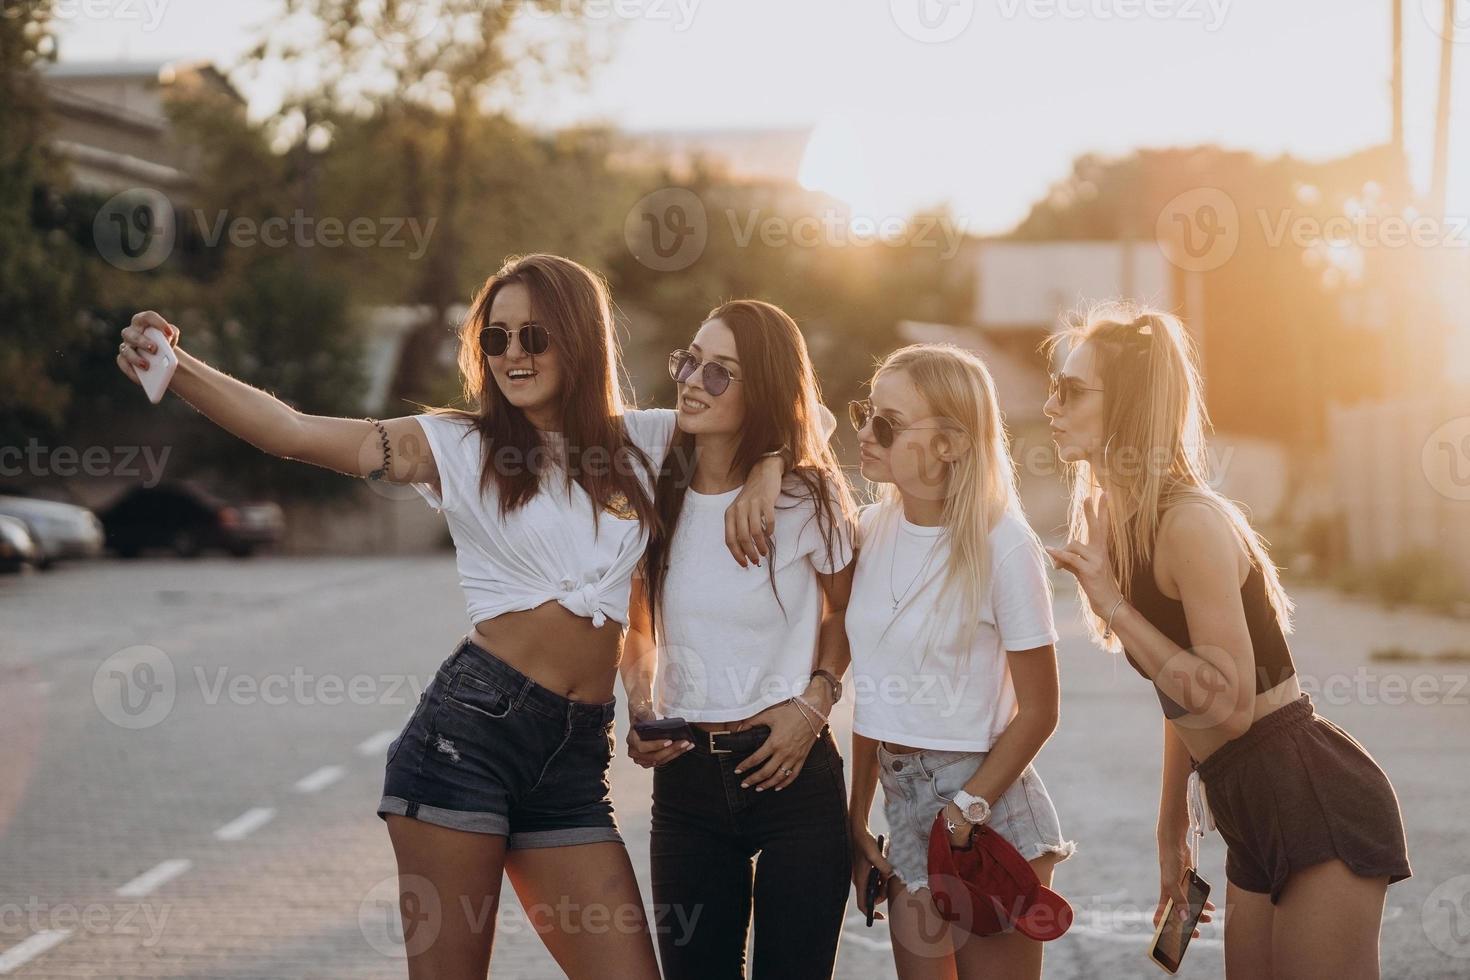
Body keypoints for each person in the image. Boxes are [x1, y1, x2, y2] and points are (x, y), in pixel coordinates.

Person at [115, 253, 791, 979]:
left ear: (579, 337)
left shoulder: (647, 442)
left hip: (572, 761)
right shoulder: (458, 445)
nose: (511, 356)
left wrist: (770, 467)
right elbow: (293, 430)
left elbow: (773, 418)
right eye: (495, 339)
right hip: (467, 743)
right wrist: (179, 368)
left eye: (533, 336)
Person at [1042, 303, 1411, 980]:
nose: (1050, 405)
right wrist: (1170, 828)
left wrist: (1114, 606)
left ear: (1127, 404)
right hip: (1246, 808)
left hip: (1314, 800)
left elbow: (1230, 704)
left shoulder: (1189, 523)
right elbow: (1180, 692)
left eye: (1070, 390)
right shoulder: (1127, 525)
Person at [621, 299, 858, 979]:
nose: (694, 380)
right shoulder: (654, 484)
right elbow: (638, 627)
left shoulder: (808, 500)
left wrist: (815, 703)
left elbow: (846, 615)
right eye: (689, 361)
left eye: (721, 372)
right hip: (686, 782)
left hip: (793, 772)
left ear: (763, 390)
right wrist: (639, 707)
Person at [845, 343, 1074, 980]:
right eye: (866, 413)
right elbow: (874, 696)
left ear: (948, 444)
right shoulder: (867, 530)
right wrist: (856, 821)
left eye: (886, 424)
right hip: (903, 805)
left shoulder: (1004, 542)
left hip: (986, 814)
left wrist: (965, 810)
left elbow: (1042, 709)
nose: (864, 432)